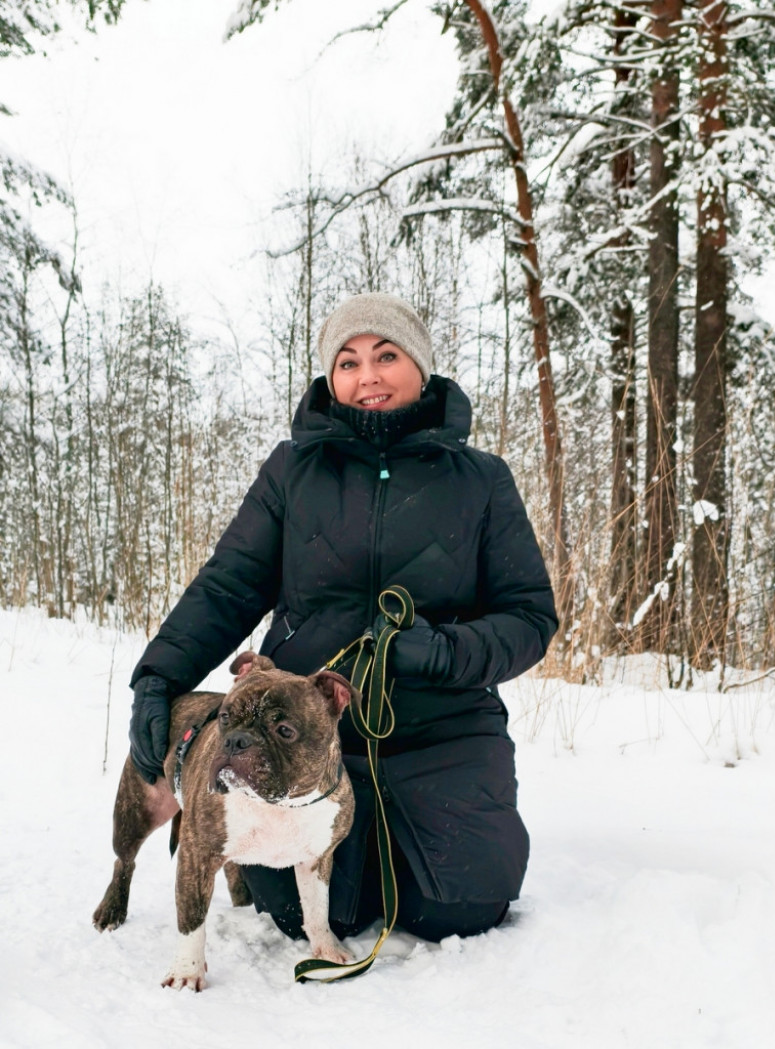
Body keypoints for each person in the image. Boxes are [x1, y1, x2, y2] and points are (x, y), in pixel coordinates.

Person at [129, 292, 558, 944]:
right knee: (314, 916)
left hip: (446, 730)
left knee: (459, 910)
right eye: (349, 361)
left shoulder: (481, 479)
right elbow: (227, 588)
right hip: (300, 736)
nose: (368, 376)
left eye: (386, 355)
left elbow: (529, 616)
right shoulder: (292, 470)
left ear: (420, 365)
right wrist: (159, 677)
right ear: (331, 377)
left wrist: (441, 651)